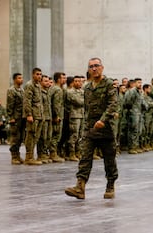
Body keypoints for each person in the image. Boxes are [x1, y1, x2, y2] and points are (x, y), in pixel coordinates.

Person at [65, 57, 119, 200]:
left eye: (96, 66)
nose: (94, 69)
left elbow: (113, 104)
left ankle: (110, 184)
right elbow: (86, 109)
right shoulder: (87, 87)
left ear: (102, 67)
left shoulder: (109, 84)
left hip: (106, 129)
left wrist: (103, 120)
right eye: (91, 67)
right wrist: (85, 127)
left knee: (109, 159)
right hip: (90, 129)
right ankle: (80, 187)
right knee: (85, 157)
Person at [22, 68, 44, 165]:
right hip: (33, 115)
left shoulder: (38, 85)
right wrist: (29, 114)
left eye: (40, 74)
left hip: (39, 115)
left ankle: (32, 156)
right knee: (30, 135)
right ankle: (28, 157)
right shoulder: (29, 85)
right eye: (37, 74)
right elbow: (27, 101)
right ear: (33, 75)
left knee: (36, 136)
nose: (39, 76)